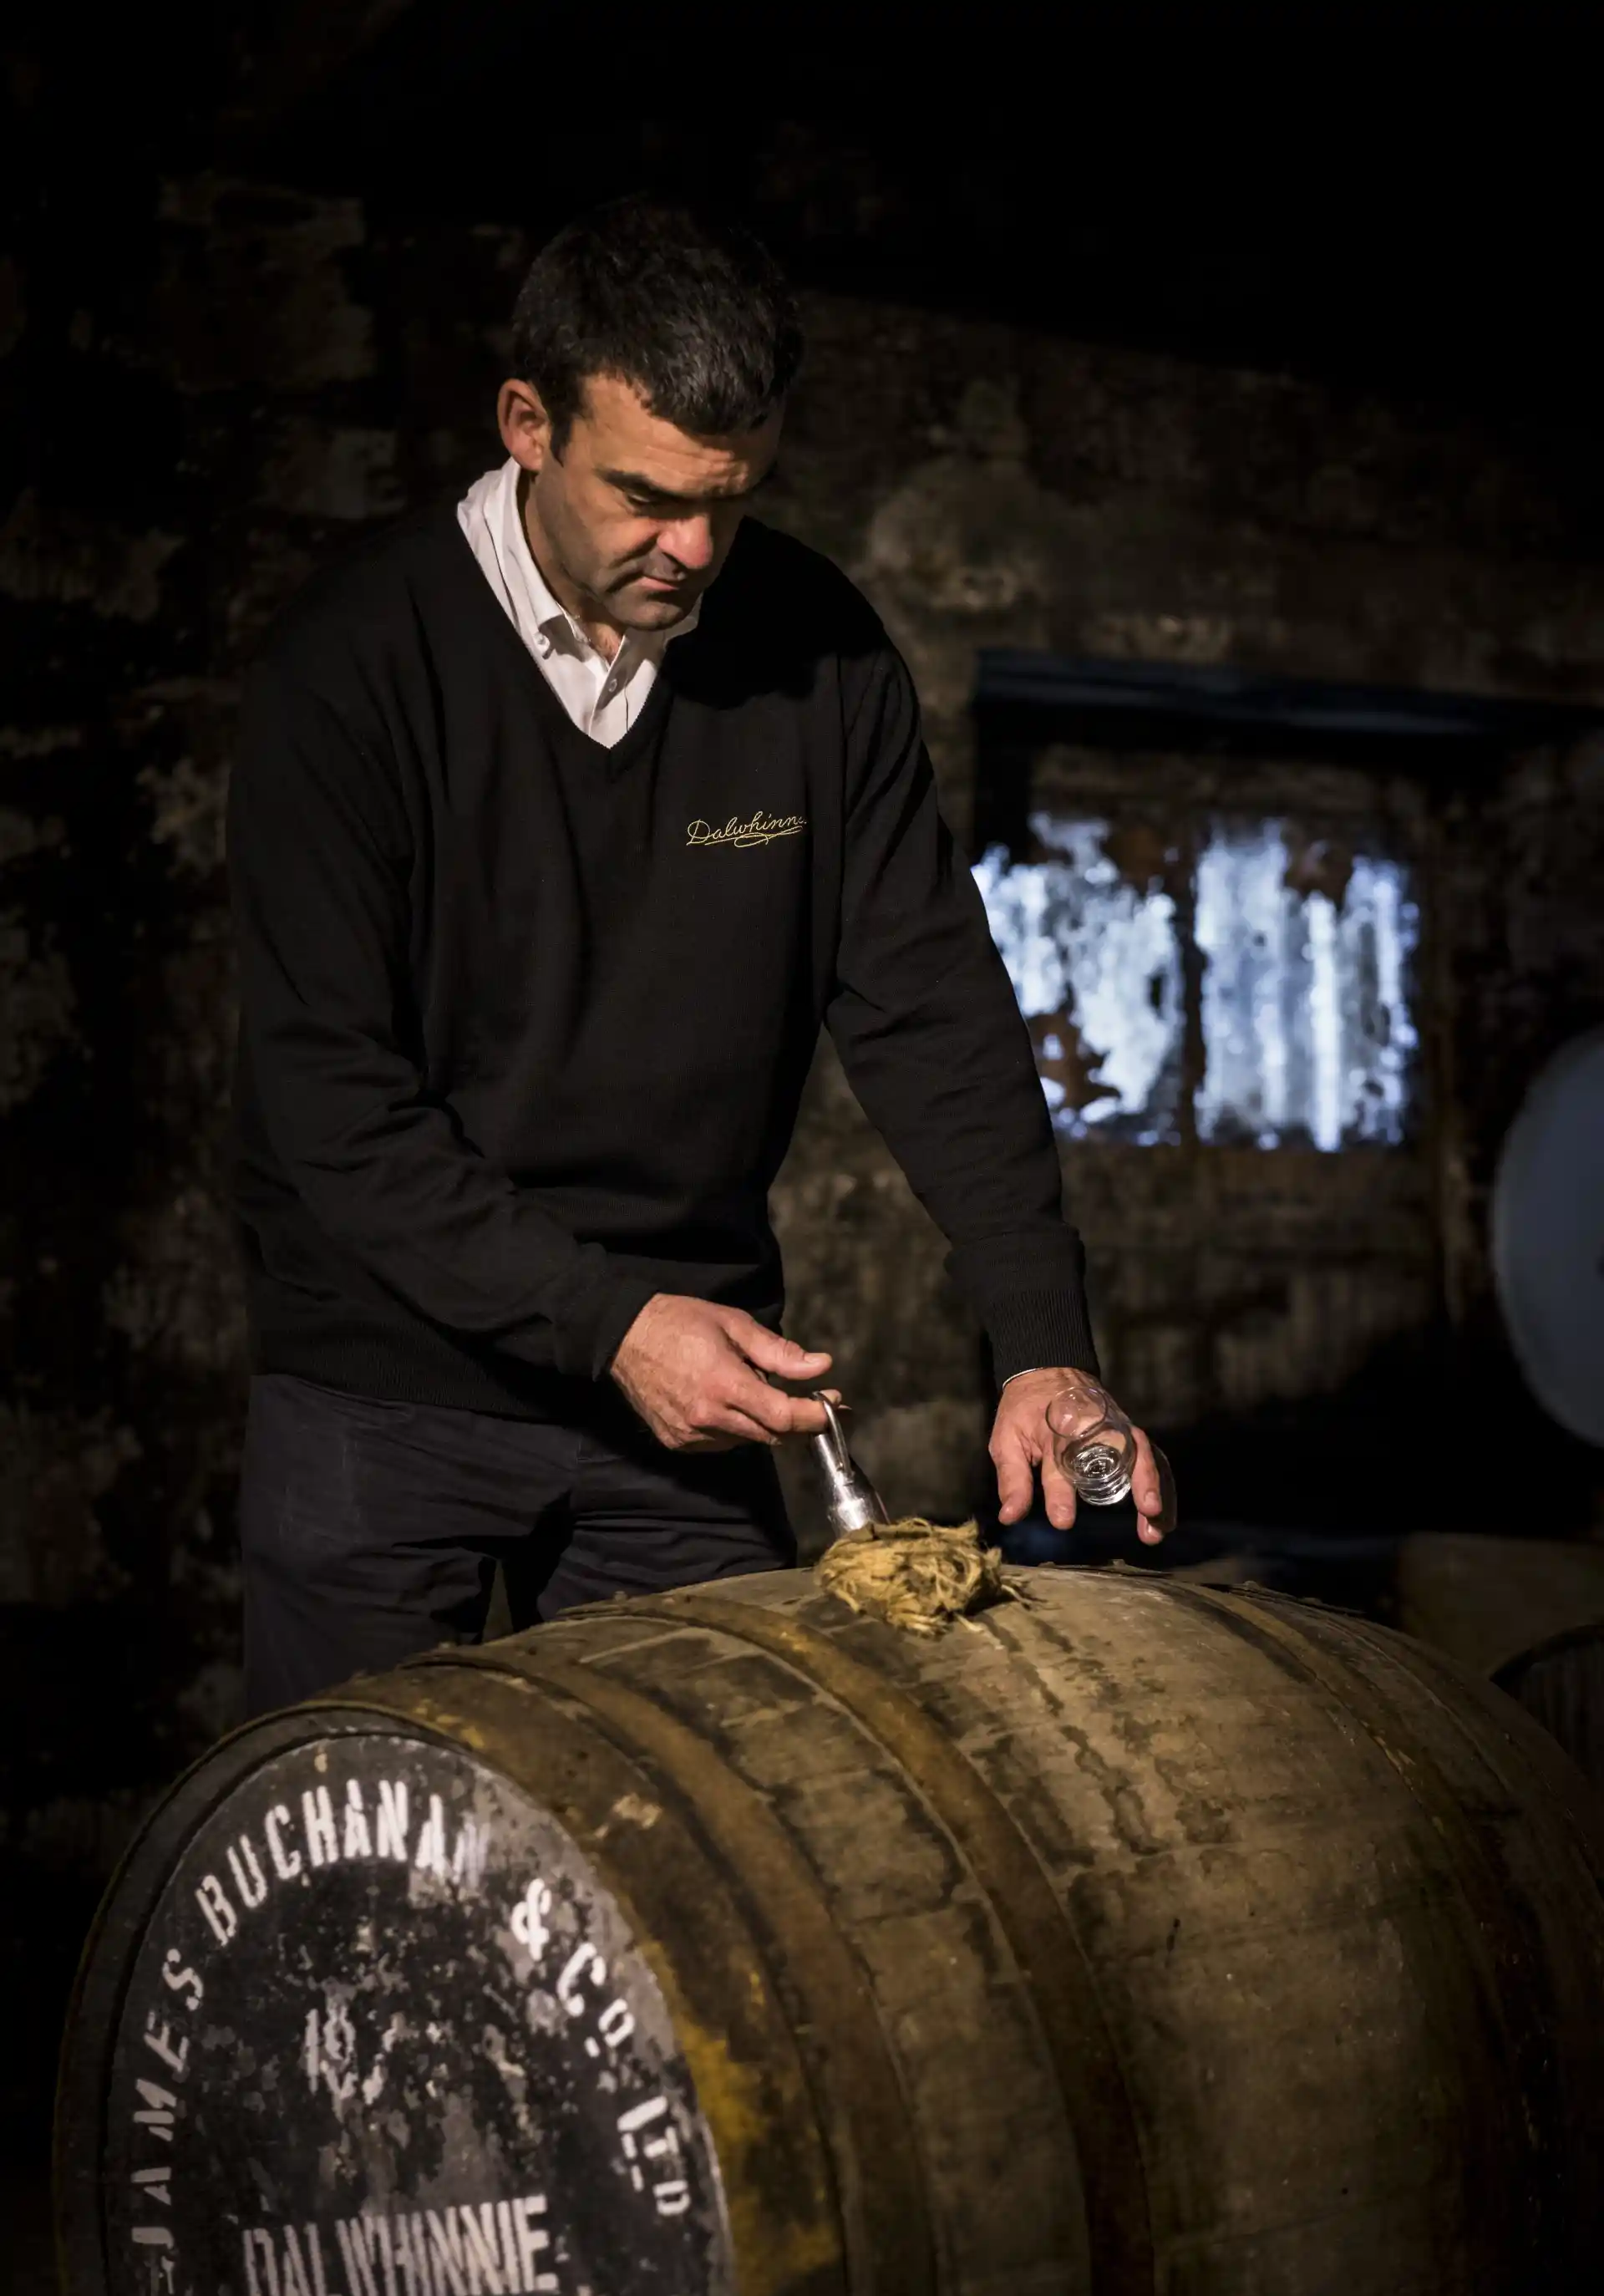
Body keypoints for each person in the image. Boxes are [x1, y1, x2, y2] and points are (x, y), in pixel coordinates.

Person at [228, 194, 1174, 1716]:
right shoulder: (356, 668)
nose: (695, 550)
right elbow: (327, 1106)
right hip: (387, 1387)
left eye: (732, 501)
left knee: (698, 1871)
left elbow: (934, 1011)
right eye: (650, 496)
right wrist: (609, 1323)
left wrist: (1044, 1344)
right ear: (527, 422)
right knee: (360, 1886)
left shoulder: (816, 654)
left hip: (690, 1408)